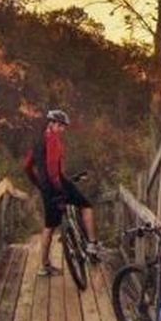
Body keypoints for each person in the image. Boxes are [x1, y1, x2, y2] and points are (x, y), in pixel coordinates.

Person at [24, 109, 100, 276]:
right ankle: (92, 244)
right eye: (62, 126)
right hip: (57, 183)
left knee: (49, 227)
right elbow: (52, 168)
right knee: (86, 206)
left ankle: (44, 266)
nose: (63, 130)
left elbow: (27, 166)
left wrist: (39, 184)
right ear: (53, 124)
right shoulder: (53, 139)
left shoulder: (38, 141)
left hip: (46, 188)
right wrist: (58, 185)